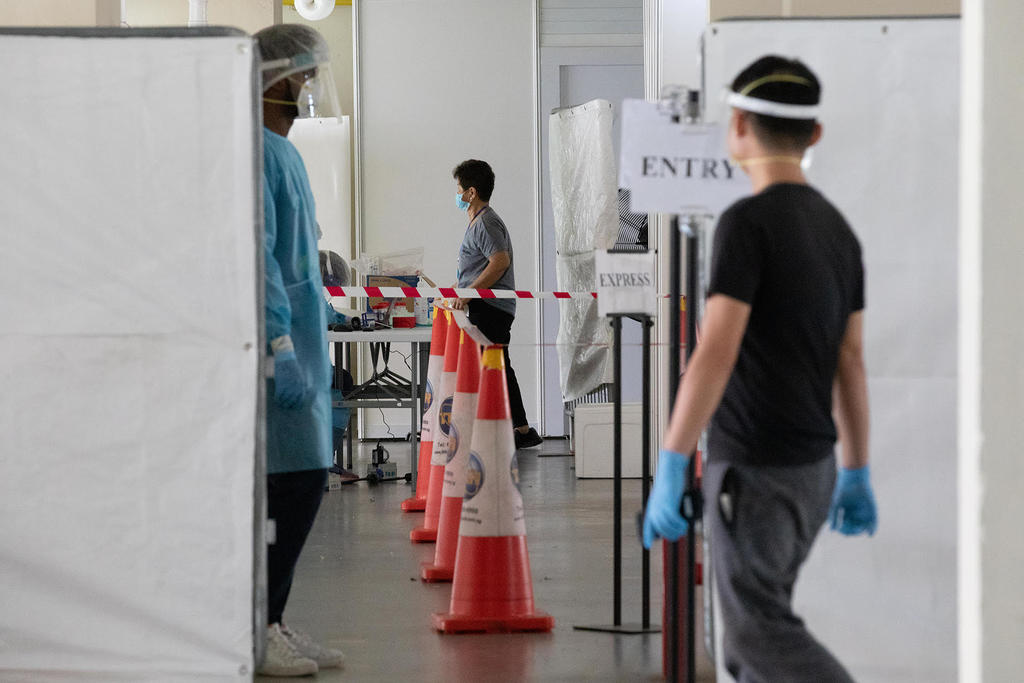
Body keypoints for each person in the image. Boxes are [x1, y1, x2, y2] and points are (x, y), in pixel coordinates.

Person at [642, 56, 878, 681]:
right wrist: (856, 469)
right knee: (755, 643)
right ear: (815, 135)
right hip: (814, 471)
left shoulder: (746, 224)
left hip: (757, 470)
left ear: (738, 124)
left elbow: (716, 351)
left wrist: (671, 460)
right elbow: (849, 361)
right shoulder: (838, 231)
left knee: (755, 638)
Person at [255, 23, 347, 677]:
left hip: (303, 340)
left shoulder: (282, 152)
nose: (308, 88)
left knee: (305, 475)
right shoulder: (255, 152)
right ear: (274, 79)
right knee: (292, 482)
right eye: (302, 76)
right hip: (279, 348)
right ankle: (257, 626)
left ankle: (274, 617)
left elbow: (296, 254)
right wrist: (280, 339)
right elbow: (258, 256)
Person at [449, 159, 542, 450]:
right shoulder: (479, 223)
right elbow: (481, 265)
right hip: (488, 305)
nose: (458, 195)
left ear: (471, 192)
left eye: (459, 189)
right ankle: (521, 429)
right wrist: (461, 288)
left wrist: (470, 292)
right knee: (498, 367)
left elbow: (500, 261)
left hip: (490, 308)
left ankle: (493, 432)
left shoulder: (487, 222)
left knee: (485, 368)